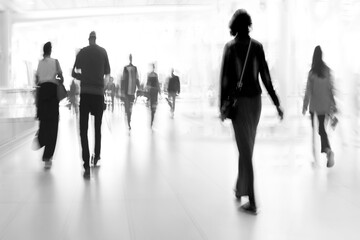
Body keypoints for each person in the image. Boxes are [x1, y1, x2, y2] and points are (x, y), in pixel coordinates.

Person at [219, 9, 284, 214]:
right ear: (248, 25)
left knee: (245, 151)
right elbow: (265, 77)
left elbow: (225, 80)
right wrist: (276, 102)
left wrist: (222, 106)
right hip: (255, 104)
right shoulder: (257, 47)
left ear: (233, 26)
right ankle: (240, 188)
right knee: (246, 148)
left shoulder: (230, 48)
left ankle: (253, 200)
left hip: (239, 105)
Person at [72, 31, 110, 178]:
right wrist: (102, 85)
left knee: (83, 129)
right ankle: (97, 156)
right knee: (97, 128)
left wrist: (84, 77)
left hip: (86, 94)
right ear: (96, 39)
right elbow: (107, 74)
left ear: (89, 40)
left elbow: (74, 72)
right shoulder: (103, 52)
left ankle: (86, 164)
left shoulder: (82, 52)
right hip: (99, 94)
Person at [303, 45, 336, 168]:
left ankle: (326, 151)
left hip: (314, 106)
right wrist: (334, 105)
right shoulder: (327, 71)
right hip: (325, 106)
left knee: (318, 131)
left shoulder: (312, 73)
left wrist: (305, 106)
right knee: (321, 130)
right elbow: (331, 89)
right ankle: (326, 152)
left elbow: (308, 91)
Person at [33, 42, 64, 169]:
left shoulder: (40, 63)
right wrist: (56, 79)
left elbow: (36, 80)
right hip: (52, 94)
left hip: (42, 94)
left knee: (44, 122)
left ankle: (41, 139)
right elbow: (61, 78)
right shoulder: (55, 62)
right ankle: (47, 157)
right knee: (53, 125)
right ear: (50, 50)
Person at [121, 54, 140, 130]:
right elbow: (123, 79)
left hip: (132, 92)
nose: (130, 58)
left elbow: (137, 78)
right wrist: (122, 91)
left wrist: (139, 88)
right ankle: (128, 120)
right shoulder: (125, 68)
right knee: (127, 109)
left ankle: (129, 121)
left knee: (130, 108)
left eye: (131, 57)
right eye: (130, 57)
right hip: (126, 92)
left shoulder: (135, 68)